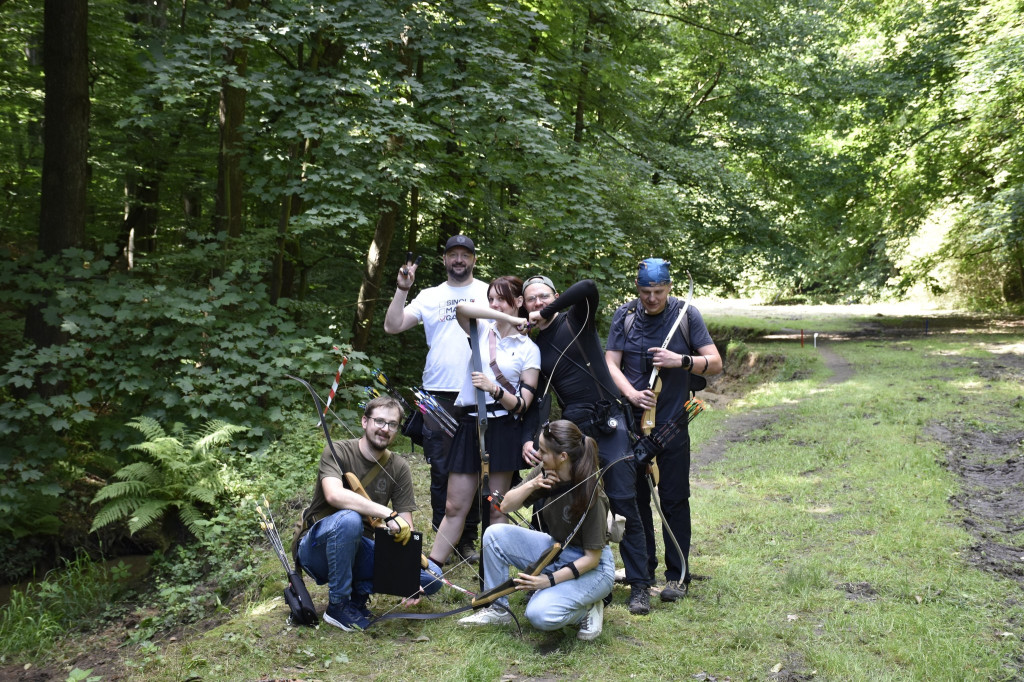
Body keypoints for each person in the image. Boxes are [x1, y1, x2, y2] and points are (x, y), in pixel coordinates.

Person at [519, 276, 651, 616]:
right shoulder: (532, 347)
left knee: (624, 500)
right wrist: (532, 438)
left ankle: (639, 585)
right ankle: (546, 577)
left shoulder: (575, 319)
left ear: (556, 298)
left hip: (609, 421)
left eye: (543, 297)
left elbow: (590, 287)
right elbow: (539, 400)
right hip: (574, 432)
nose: (537, 303)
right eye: (530, 299)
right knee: (550, 499)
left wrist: (549, 310)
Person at [605, 258, 722, 602]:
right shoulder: (625, 317)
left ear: (670, 287)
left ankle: (677, 575)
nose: (652, 298)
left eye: (658, 291)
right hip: (632, 425)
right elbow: (610, 363)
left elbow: (714, 363)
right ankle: (643, 572)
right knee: (635, 501)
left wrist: (681, 361)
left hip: (672, 424)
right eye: (645, 292)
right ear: (637, 289)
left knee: (673, 499)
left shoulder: (687, 316)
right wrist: (629, 393)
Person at [292, 396, 443, 631]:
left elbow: (407, 527)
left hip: (359, 549)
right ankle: (338, 606)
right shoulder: (338, 450)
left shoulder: (399, 467)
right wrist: (387, 513)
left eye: (392, 424)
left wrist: (406, 574)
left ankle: (357, 594)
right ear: (364, 421)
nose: (385, 429)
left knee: (431, 576)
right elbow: (334, 495)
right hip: (316, 550)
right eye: (379, 421)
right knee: (349, 519)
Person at [384, 235, 489, 561]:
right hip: (435, 396)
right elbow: (392, 325)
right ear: (444, 260)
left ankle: (467, 540)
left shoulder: (487, 292)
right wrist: (403, 288)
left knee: (474, 468)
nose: (459, 259)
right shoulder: (429, 296)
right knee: (441, 470)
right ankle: (444, 540)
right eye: (452, 254)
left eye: (465, 254)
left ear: (473, 259)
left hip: (478, 391)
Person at [459, 420, 614, 640]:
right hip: (557, 550)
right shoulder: (545, 471)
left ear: (563, 456)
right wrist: (532, 484)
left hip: (593, 568)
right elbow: (505, 506)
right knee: (494, 535)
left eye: (543, 451)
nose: (538, 454)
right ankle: (498, 610)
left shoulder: (591, 492)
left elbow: (592, 559)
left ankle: (588, 609)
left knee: (538, 615)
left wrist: (548, 581)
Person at [427, 276, 541, 567]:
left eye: (502, 299)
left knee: (496, 508)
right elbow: (463, 309)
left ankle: (491, 579)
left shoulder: (529, 349)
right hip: (470, 425)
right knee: (455, 505)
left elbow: (523, 405)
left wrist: (495, 389)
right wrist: (505, 316)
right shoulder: (480, 329)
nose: (493, 304)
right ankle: (430, 572)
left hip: (503, 429)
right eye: (491, 299)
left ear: (518, 302)